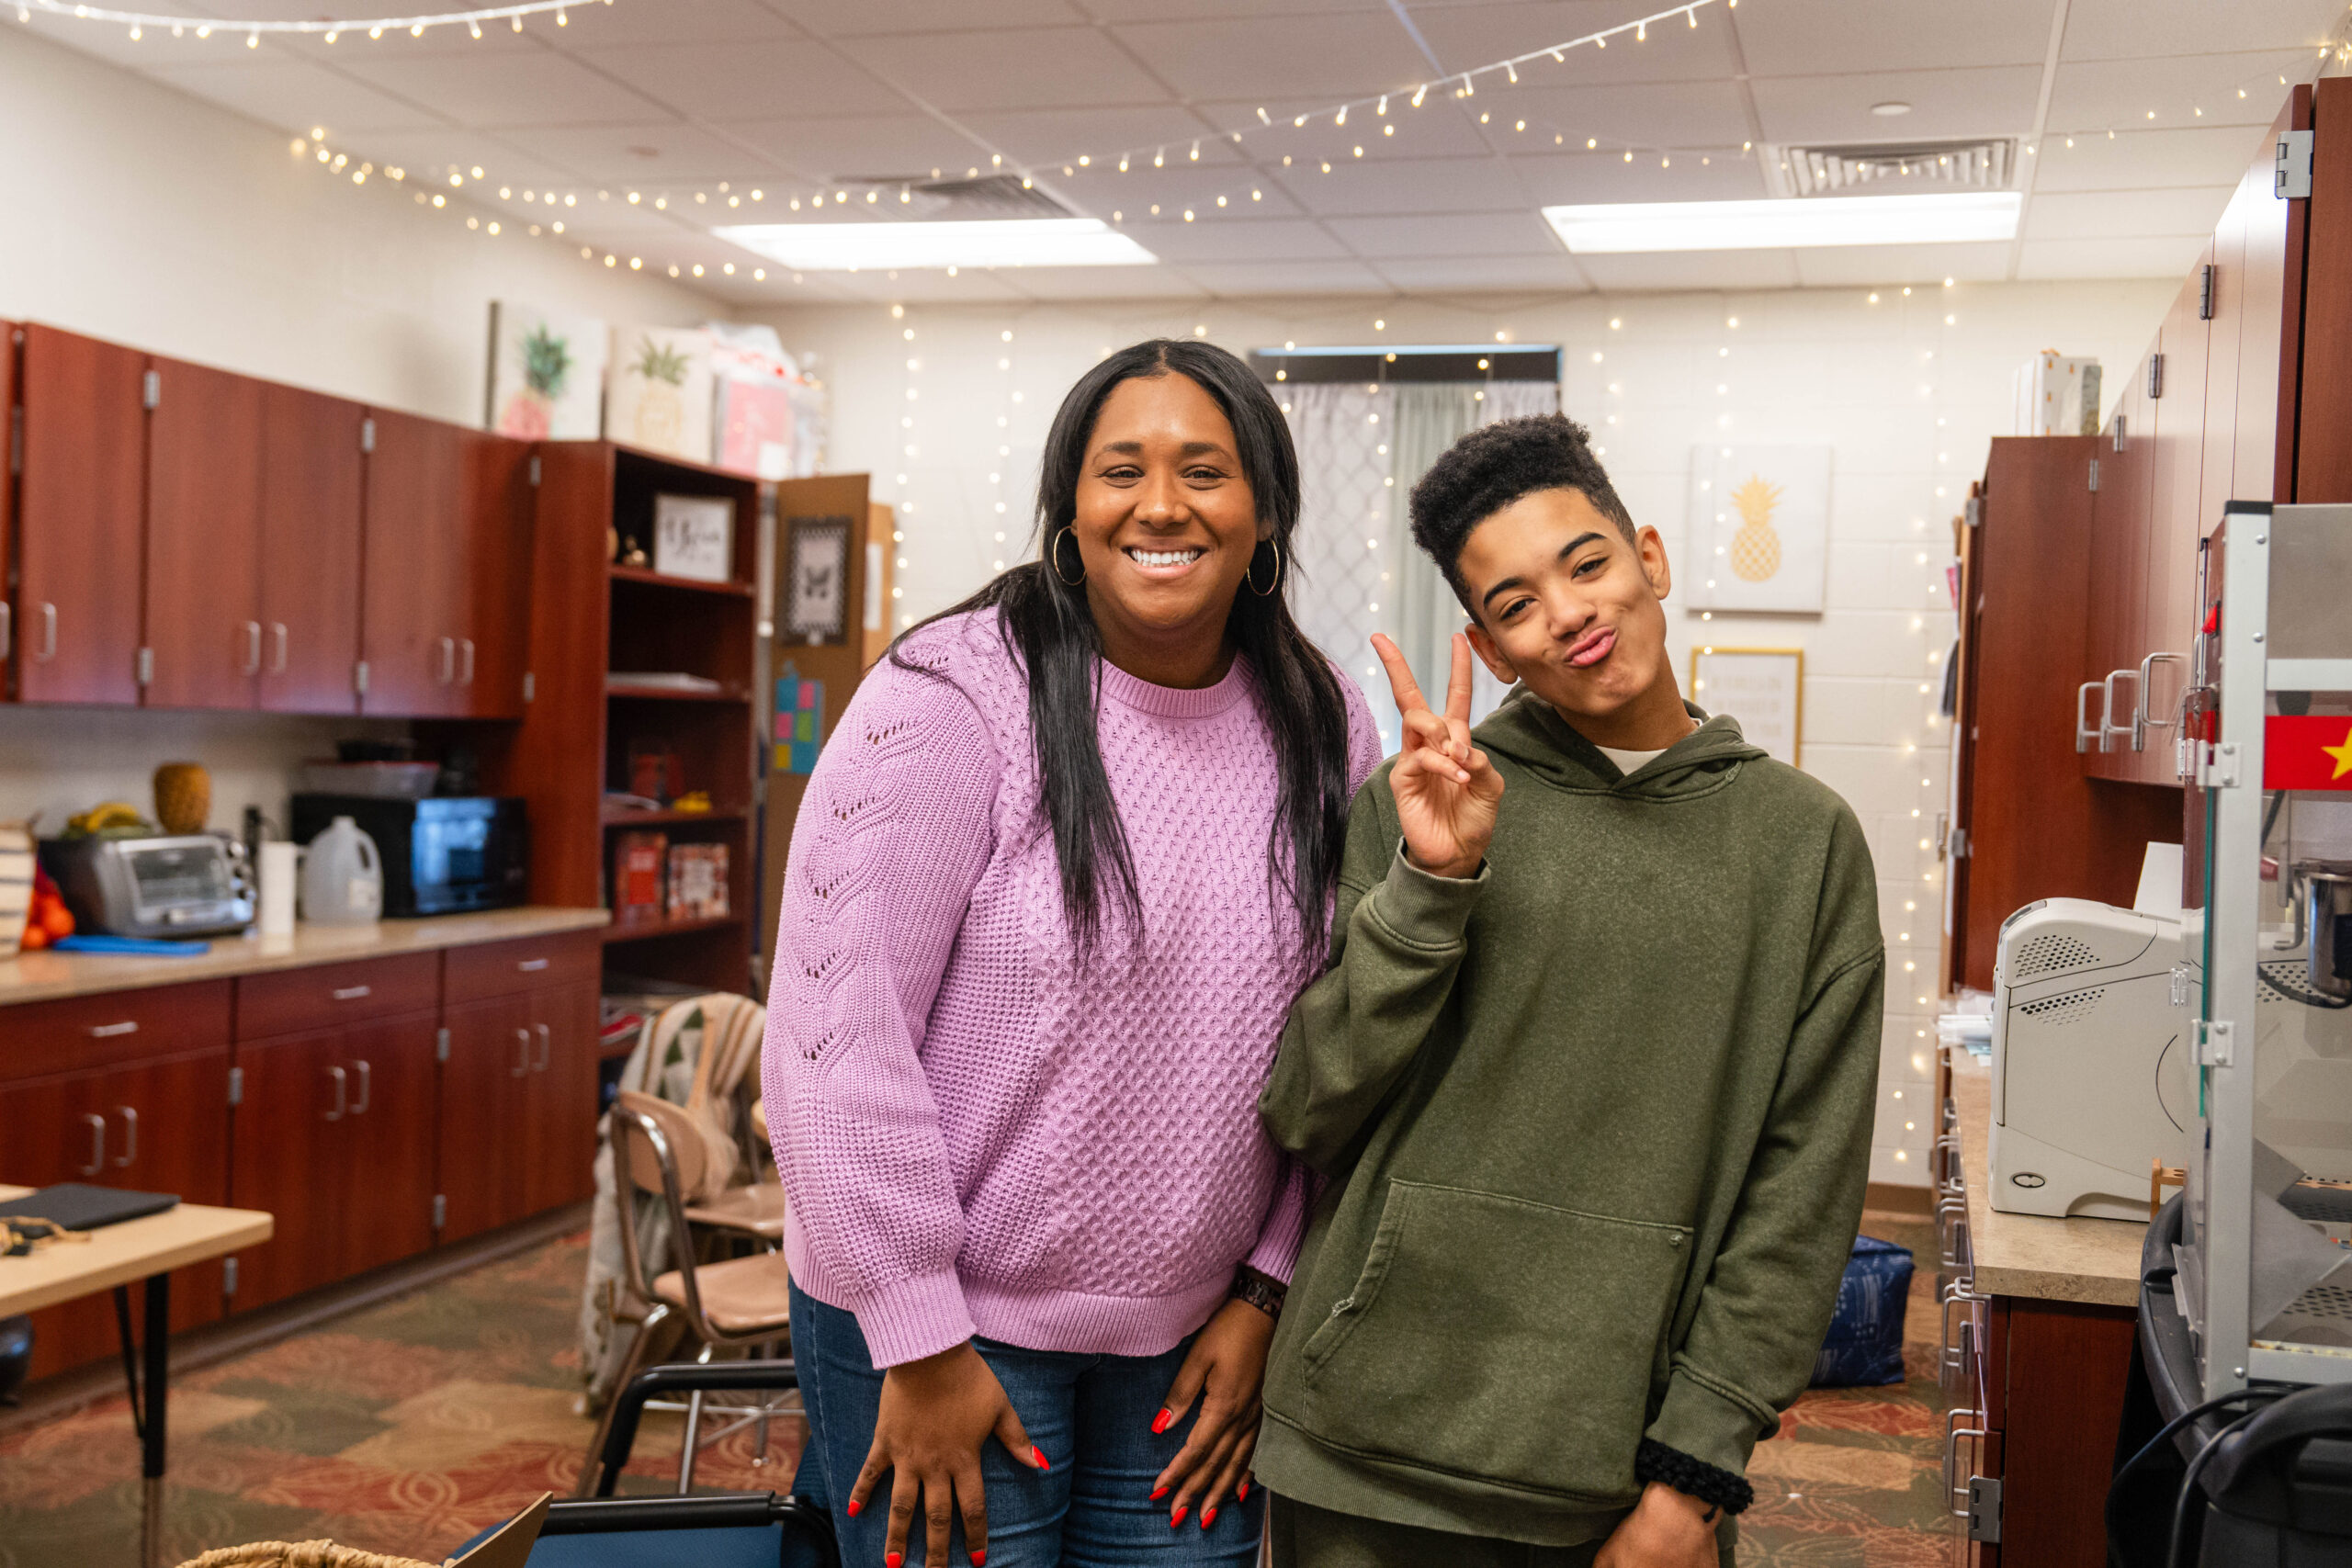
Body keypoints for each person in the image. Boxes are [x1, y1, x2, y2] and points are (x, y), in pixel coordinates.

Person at [762, 338, 1382, 1568]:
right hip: (948, 1326)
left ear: (1265, 513)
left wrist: (1269, 1287)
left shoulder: (1322, 720)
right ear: (1071, 507)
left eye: (1204, 470)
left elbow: (1343, 1037)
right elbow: (835, 1034)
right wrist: (918, 1334)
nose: (1161, 505)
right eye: (1121, 470)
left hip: (1198, 1333)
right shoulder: (949, 695)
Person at [1253, 414, 1884, 1567]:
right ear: (1492, 650)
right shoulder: (1418, 806)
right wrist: (1433, 887)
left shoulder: (1802, 843)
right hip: (1362, 1453)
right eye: (1516, 603)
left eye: (1585, 564)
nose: (1569, 614)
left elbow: (1801, 1191)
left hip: (1622, 1474)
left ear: (1649, 557)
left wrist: (1693, 1476)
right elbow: (1308, 1108)